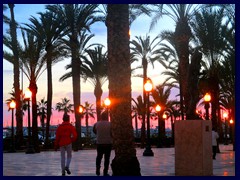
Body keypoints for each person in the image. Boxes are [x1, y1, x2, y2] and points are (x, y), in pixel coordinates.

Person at [93, 111, 112, 176]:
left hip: (99, 143)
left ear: (101, 117)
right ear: (107, 117)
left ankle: (97, 169)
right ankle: (105, 172)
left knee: (99, 157)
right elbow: (112, 133)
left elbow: (94, 131)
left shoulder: (97, 124)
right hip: (108, 143)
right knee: (107, 158)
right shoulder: (110, 124)